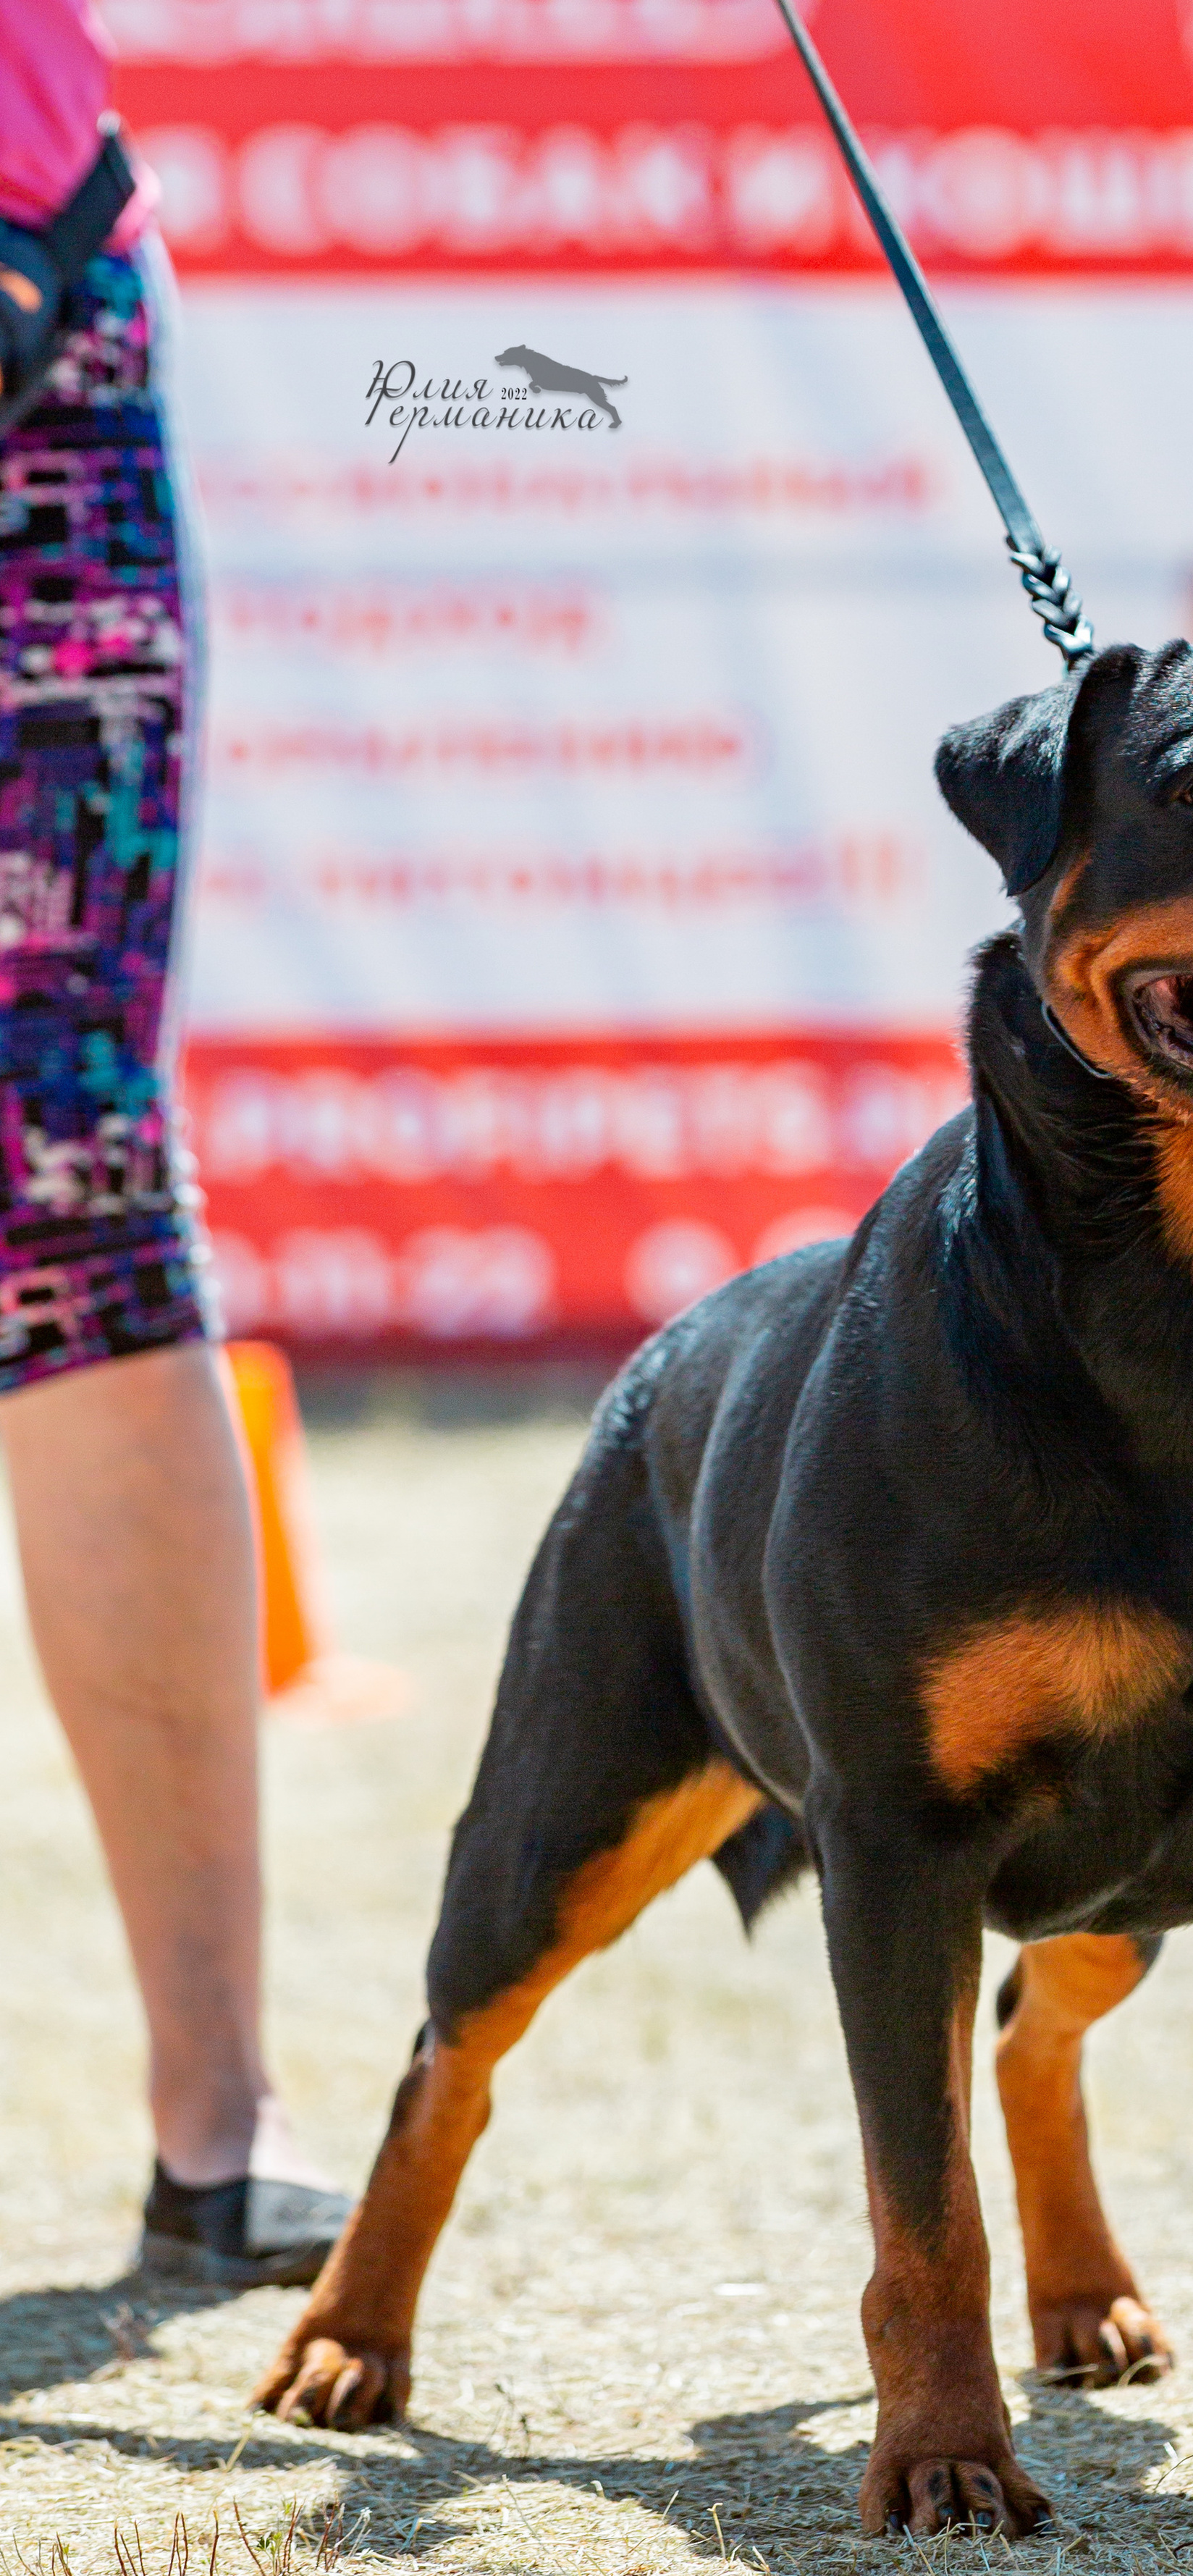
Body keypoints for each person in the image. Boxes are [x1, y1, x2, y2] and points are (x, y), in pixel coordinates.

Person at [0, 1, 347, 2286]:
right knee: (89, 1202)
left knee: (86, 1200)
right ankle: (218, 2129)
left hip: (32, 301)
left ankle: (218, 2121)